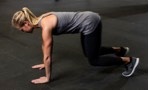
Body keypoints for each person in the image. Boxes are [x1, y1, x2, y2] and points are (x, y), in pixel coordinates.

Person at [11, 7, 139, 84]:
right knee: (89, 52)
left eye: (21, 29)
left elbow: (47, 55)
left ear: (26, 23)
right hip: (87, 19)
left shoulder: (46, 27)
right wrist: (44, 64)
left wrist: (47, 77)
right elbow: (44, 46)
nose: (23, 32)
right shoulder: (42, 18)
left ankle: (129, 61)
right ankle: (120, 50)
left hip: (90, 23)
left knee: (93, 60)